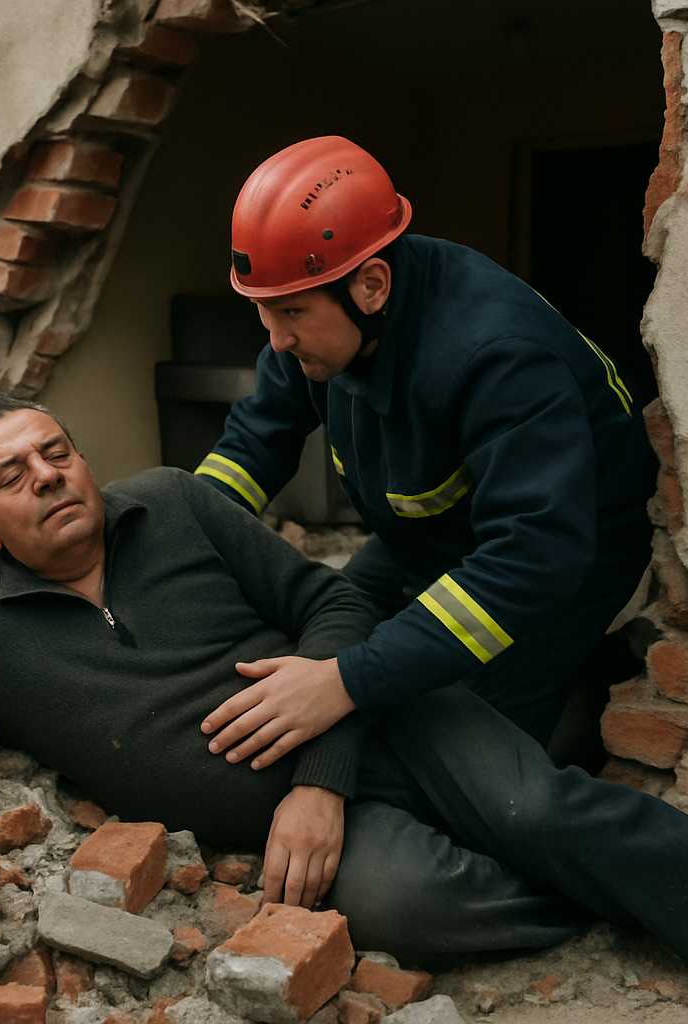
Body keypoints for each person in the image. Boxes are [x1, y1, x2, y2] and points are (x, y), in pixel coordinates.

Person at [0, 394, 688, 966]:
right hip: (312, 832)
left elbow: (338, 605)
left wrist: (319, 782)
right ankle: (607, 894)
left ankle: (635, 868)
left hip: (395, 719)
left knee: (537, 810)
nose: (47, 474)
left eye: (55, 452)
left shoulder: (173, 503)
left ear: (83, 461)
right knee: (411, 908)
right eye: (13, 476)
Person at [195, 135, 658, 763]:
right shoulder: (323, 316)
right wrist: (184, 531)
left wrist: (348, 682)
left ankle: (584, 696)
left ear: (372, 285)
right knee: (324, 631)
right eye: (264, 311)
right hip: (429, 535)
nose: (276, 340)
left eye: (292, 313)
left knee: (451, 752)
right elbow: (256, 439)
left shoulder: (496, 355)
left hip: (558, 557)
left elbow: (532, 556)